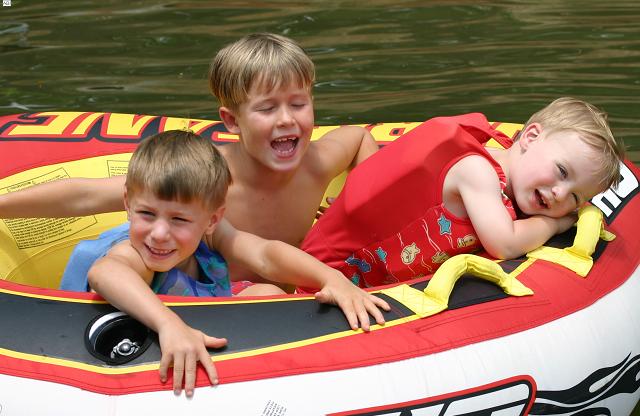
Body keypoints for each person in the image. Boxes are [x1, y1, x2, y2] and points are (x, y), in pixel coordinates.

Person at [0, 33, 379, 287]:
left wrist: (358, 203)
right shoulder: (208, 173)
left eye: (298, 104)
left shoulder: (318, 162)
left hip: (280, 287)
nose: (286, 119)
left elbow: (360, 137)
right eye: (267, 109)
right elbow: (86, 196)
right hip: (204, 292)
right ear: (232, 120)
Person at [68, 129, 389, 397]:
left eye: (179, 219)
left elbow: (265, 255)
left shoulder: (212, 236)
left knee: (269, 293)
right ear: (128, 204)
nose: (160, 233)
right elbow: (105, 271)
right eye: (147, 214)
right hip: (148, 336)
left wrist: (331, 278)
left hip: (205, 321)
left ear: (212, 219)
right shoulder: (139, 254)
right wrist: (167, 324)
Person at [299, 97, 625, 289]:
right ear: (529, 137)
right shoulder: (477, 171)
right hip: (333, 273)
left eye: (576, 198)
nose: (559, 194)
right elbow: (505, 243)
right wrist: (557, 223)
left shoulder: (505, 182)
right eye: (562, 172)